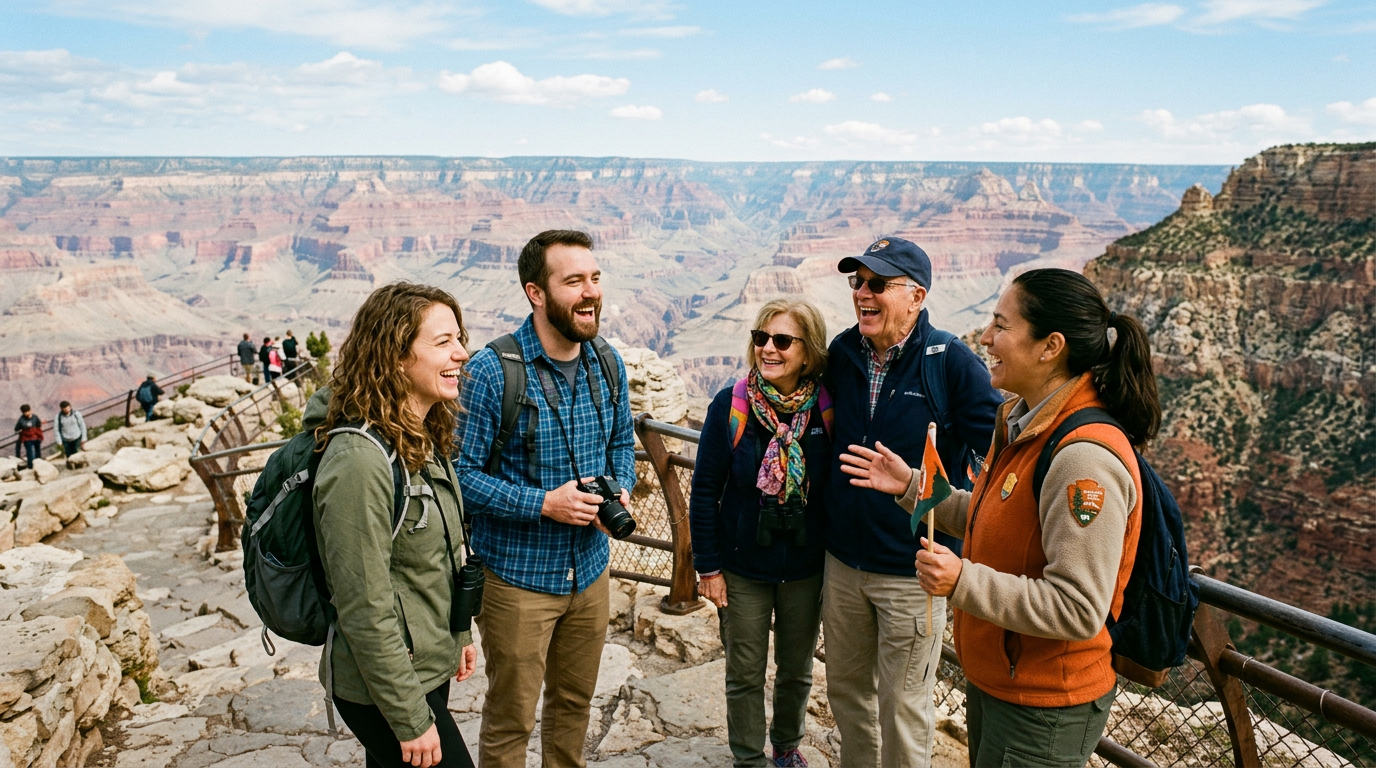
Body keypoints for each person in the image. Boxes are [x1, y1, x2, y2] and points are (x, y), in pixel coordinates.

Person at [840, 268, 1158, 768]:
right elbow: (990, 517)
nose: (985, 338)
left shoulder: (1083, 459)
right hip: (1002, 680)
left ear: (1050, 346)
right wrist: (912, 487)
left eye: (1000, 326)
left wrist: (961, 579)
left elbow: (1077, 607)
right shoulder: (1022, 420)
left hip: (1043, 699)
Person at [455, 229, 636, 768]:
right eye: (573, 281)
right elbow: (457, 476)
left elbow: (621, 441)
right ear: (536, 293)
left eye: (595, 278)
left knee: (574, 705)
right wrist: (542, 504)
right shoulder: (491, 372)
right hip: (517, 582)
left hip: (590, 572)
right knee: (512, 716)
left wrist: (619, 485)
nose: (590, 292)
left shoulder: (607, 362)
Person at [821, 237, 1002, 768]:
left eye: (878, 283)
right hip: (843, 565)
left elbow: (1003, 465)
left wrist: (921, 485)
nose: (863, 294)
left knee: (903, 709)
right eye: (857, 282)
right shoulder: (843, 353)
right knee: (848, 697)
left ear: (916, 295)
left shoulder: (950, 364)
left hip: (911, 575)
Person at [310, 281, 479, 768]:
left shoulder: (422, 438)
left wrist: (458, 635)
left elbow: (439, 558)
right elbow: (364, 603)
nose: (461, 353)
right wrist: (410, 717)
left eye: (459, 338)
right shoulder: (359, 461)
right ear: (396, 356)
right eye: (442, 342)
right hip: (382, 685)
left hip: (422, 665)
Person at [690, 299, 832, 768]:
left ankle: (786, 747)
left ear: (807, 353)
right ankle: (749, 759)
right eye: (760, 338)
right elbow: (705, 490)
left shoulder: (826, 411)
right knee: (745, 672)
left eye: (782, 341)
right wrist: (707, 567)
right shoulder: (731, 406)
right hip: (743, 567)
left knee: (796, 671)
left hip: (806, 570)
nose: (768, 349)